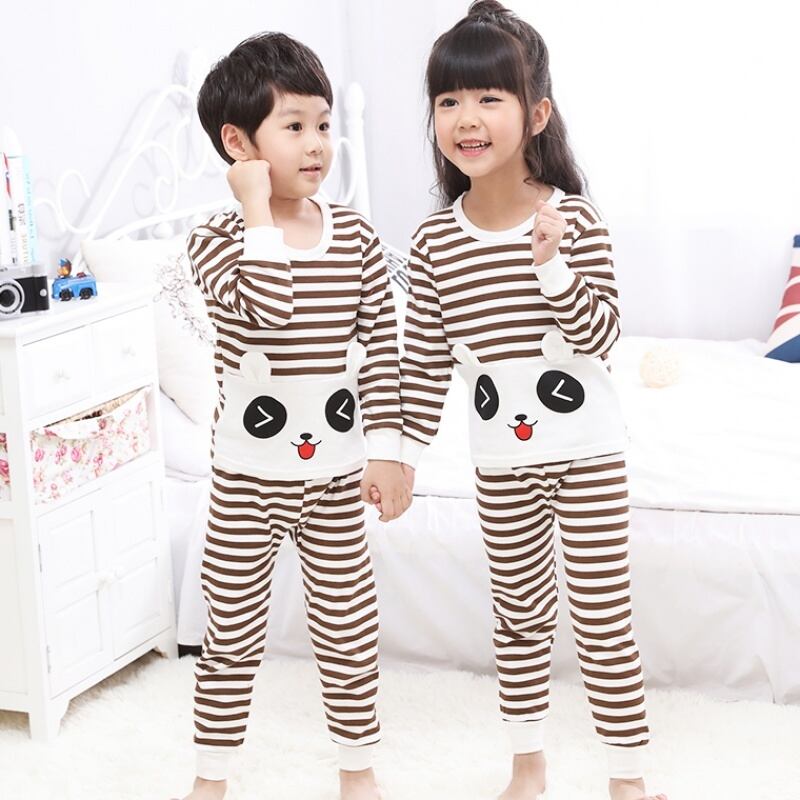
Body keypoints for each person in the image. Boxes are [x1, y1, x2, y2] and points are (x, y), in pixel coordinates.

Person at [383, 3, 668, 798]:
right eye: (448, 100)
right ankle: (527, 768)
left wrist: (552, 267)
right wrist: (398, 455)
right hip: (500, 463)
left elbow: (600, 337)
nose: (466, 119)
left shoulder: (572, 218)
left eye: (489, 97)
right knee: (518, 616)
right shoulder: (435, 242)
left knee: (603, 616)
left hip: (586, 455)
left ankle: (629, 777)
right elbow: (424, 363)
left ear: (536, 114)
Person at [175, 31, 410, 800]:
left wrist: (389, 451)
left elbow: (382, 351)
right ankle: (212, 778)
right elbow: (269, 309)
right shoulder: (214, 241)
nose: (317, 144)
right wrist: (254, 207)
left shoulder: (358, 237)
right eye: (295, 126)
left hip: (335, 478)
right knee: (231, 638)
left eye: (323, 124)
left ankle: (358, 772)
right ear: (238, 144)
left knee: (349, 633)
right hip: (247, 480)